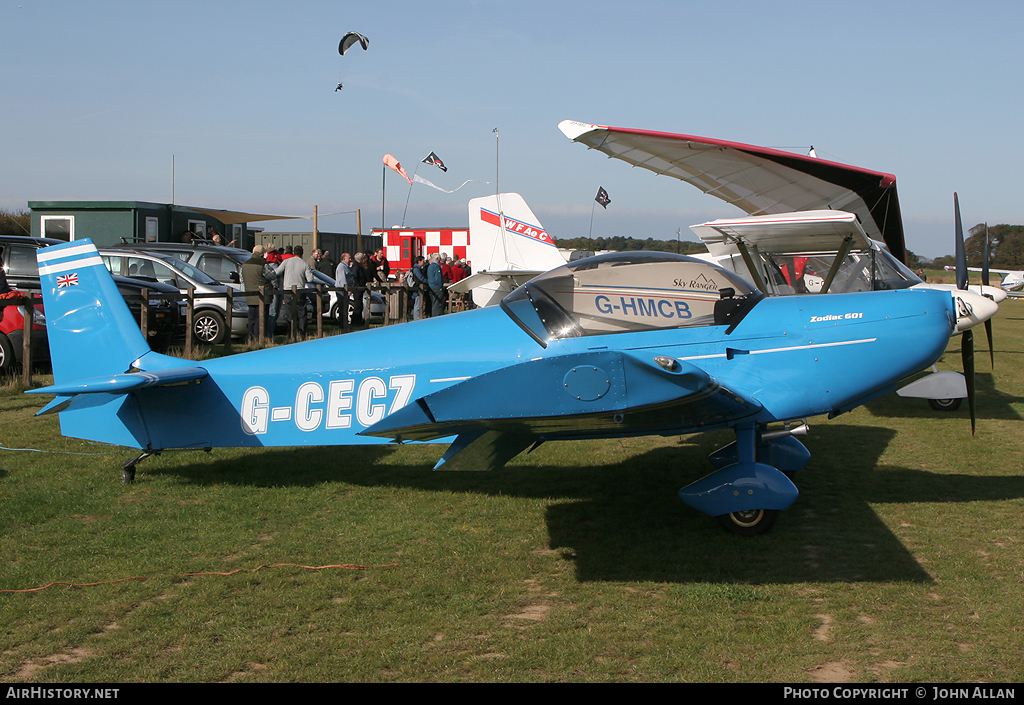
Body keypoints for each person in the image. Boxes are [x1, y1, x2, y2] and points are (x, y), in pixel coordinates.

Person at [275, 245, 315, 336]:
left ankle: (291, 333)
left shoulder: (286, 262)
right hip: (300, 291)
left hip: (288, 291)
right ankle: (302, 334)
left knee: (289, 313)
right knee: (301, 314)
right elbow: (310, 279)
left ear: (293, 253)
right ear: (302, 253)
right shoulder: (305, 264)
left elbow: (277, 272)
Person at [241, 245, 273, 342]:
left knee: (251, 318)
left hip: (250, 294)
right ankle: (259, 339)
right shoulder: (263, 264)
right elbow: (272, 275)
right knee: (262, 318)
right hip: (263, 296)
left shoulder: (244, 264)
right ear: (263, 253)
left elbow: (241, 279)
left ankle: (250, 339)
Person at [427, 253, 445, 317]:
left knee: (434, 303)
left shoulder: (430, 266)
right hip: (437, 287)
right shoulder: (436, 266)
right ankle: (437, 316)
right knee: (438, 304)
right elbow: (438, 278)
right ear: (437, 259)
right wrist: (440, 286)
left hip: (431, 287)